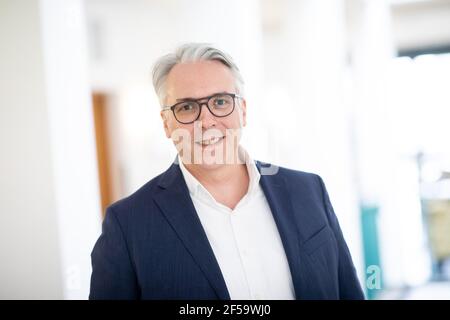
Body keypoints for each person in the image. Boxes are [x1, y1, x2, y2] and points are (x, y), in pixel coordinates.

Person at [89, 43, 364, 300]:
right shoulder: (128, 225)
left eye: (220, 102)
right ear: (166, 123)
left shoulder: (309, 191)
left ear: (242, 111)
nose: (206, 121)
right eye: (186, 107)